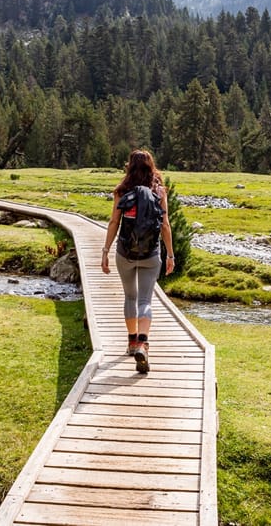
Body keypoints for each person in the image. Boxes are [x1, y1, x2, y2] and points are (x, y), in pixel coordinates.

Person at [100, 149, 175, 374]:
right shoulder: (159, 191)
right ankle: (143, 342)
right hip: (151, 255)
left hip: (125, 253)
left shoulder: (122, 191)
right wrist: (170, 254)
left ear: (129, 167)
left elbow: (114, 222)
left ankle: (132, 342)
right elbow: (165, 225)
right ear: (151, 167)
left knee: (130, 296)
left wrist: (105, 251)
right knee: (145, 300)